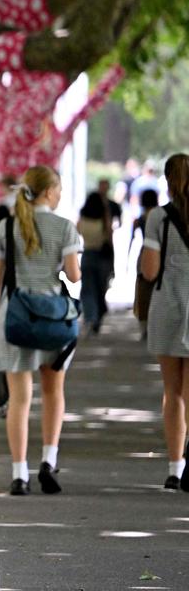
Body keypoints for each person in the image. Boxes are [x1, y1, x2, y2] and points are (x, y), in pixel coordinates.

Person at [0, 166, 82, 496]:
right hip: (53, 320)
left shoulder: (6, 226)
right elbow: (73, 275)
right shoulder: (64, 227)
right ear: (50, 191)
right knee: (54, 391)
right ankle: (49, 462)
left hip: (14, 319)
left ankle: (19, 474)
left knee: (19, 400)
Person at [139, 154, 189, 491]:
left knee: (172, 392)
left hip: (168, 308)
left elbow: (150, 271)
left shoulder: (159, 217)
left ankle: (175, 466)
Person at [77, 192, 115, 335]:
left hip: (87, 254)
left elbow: (77, 231)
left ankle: (90, 317)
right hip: (103, 256)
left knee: (87, 289)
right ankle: (97, 317)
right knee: (100, 289)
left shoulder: (83, 219)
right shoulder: (104, 218)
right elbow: (110, 239)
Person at [131, 189, 161, 340]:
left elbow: (131, 240)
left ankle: (144, 324)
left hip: (144, 254)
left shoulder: (140, 219)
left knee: (143, 291)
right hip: (160, 255)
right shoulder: (162, 217)